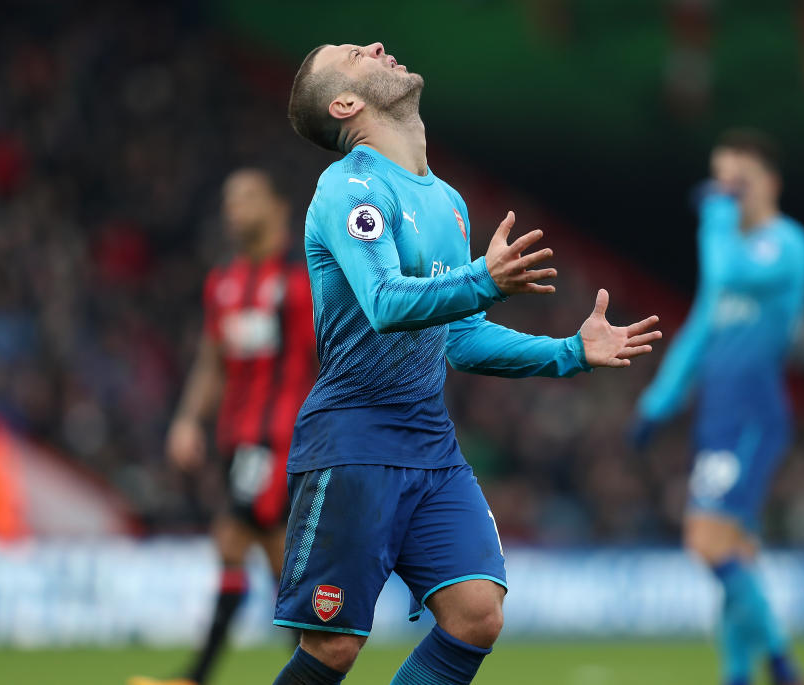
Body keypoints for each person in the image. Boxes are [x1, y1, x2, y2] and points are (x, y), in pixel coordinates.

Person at [270, 42, 661, 685]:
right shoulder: (347, 189)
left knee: (477, 614)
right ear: (346, 103)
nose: (374, 46)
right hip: (354, 442)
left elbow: (459, 338)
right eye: (352, 53)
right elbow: (386, 302)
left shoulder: (447, 201)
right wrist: (483, 279)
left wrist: (569, 352)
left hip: (430, 443)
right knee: (334, 648)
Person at [630, 130, 804, 685]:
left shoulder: (786, 245)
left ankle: (783, 665)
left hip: (753, 416)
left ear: (770, 183)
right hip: (717, 414)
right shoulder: (731, 247)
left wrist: (713, 215)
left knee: (706, 542)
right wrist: (658, 402)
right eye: (720, 181)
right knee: (736, 553)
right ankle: (738, 673)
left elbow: (726, 274)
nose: (727, 192)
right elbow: (698, 333)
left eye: (739, 181)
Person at [130, 169, 317, 685]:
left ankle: (197, 676)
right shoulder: (224, 283)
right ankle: (312, 673)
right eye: (229, 199)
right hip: (237, 438)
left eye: (249, 198)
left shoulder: (301, 284)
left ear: (279, 208)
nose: (235, 209)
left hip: (280, 438)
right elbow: (212, 362)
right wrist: (188, 419)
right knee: (274, 554)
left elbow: (325, 359)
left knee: (235, 538)